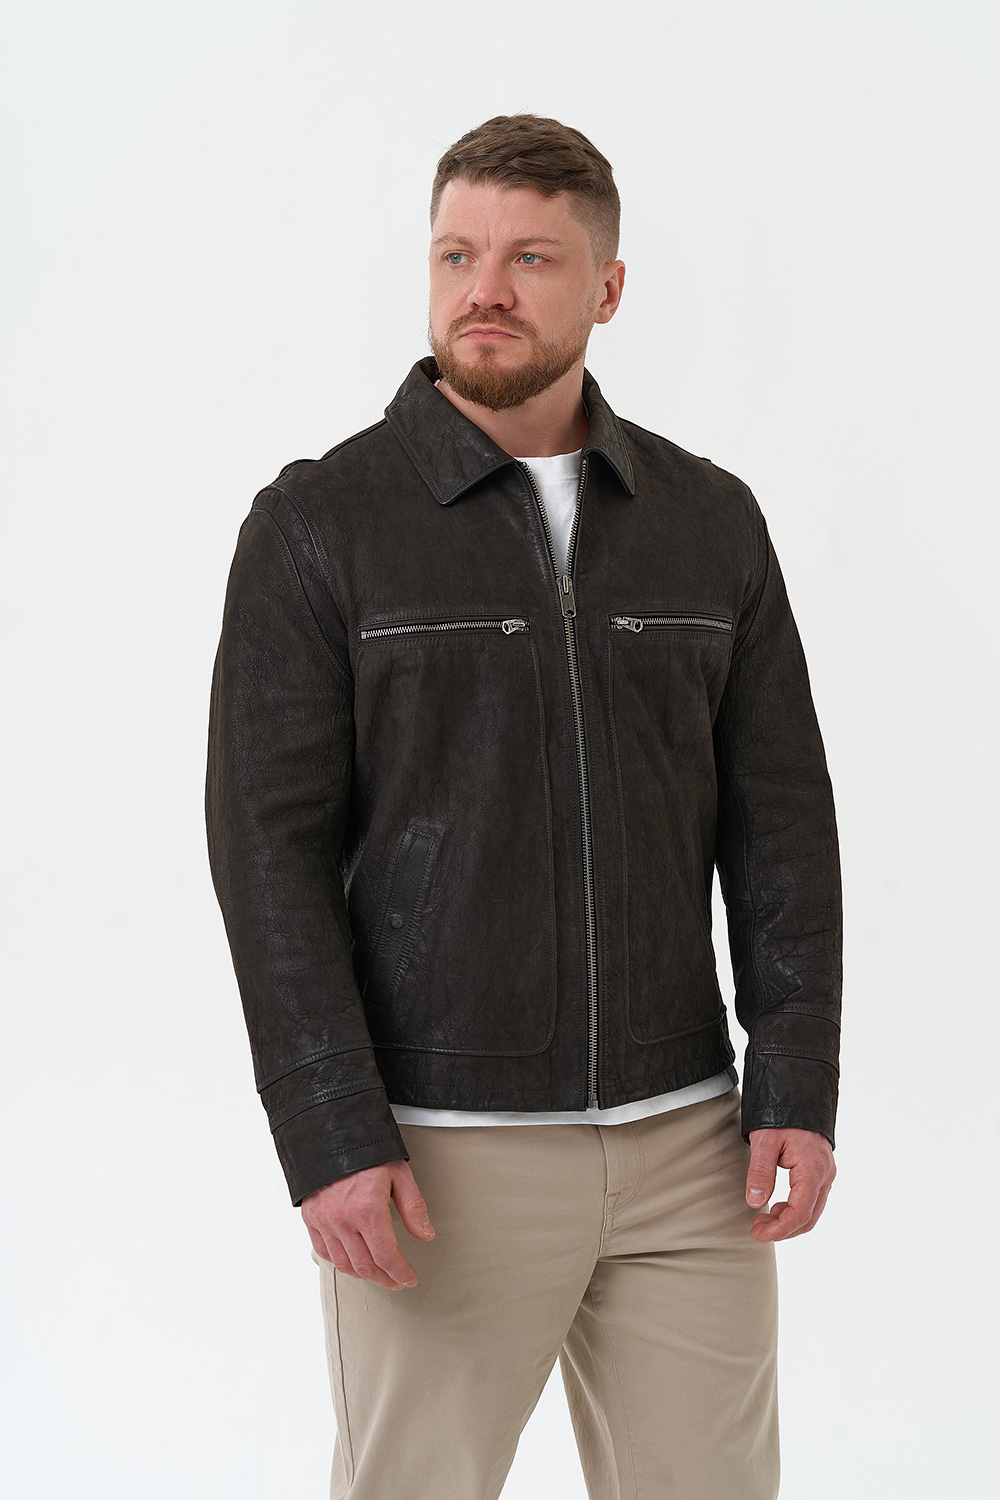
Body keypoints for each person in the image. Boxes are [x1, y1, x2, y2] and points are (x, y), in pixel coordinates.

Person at [205, 113, 842, 1500]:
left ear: (606, 288)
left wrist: (797, 1075)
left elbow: (783, 820)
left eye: (531, 259)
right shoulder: (320, 523)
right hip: (442, 1152)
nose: (484, 289)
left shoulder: (709, 519)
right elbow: (268, 859)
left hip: (692, 1150)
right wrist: (330, 1132)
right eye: (457, 254)